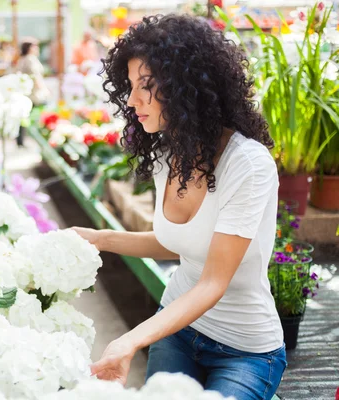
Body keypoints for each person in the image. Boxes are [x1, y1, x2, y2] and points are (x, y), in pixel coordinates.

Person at [72, 14, 286, 400]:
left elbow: (212, 283)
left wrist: (129, 341)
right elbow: (178, 242)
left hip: (244, 351)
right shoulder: (168, 154)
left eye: (147, 86)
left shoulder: (248, 164)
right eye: (131, 86)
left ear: (188, 88)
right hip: (178, 332)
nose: (133, 100)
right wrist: (95, 238)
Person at [15, 39, 49, 147]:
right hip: (32, 94)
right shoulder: (30, 59)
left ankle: (21, 140)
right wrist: (44, 90)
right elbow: (36, 77)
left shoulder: (22, 59)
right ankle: (37, 141)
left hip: (26, 93)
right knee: (33, 117)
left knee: (24, 117)